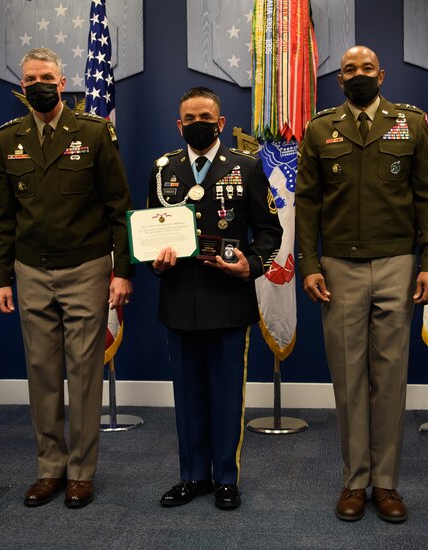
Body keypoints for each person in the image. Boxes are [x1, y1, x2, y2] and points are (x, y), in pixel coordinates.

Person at [295, 46, 428, 523]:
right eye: (349, 70)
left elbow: (427, 196)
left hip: (399, 262)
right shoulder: (321, 128)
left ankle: (387, 482)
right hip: (339, 267)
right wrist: (309, 264)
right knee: (348, 378)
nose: (358, 75)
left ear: (383, 74)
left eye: (366, 69)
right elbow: (307, 203)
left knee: (390, 378)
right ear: (339, 79)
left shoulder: (411, 123)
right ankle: (354, 481)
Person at [0, 48, 133, 509]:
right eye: (30, 78)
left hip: (87, 268)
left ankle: (81, 473)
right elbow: (3, 216)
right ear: (22, 84)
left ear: (63, 79)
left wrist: (121, 272)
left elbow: (118, 208)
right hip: (30, 269)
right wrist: (1, 278)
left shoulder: (93, 132)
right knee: (42, 373)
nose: (38, 84)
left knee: (85, 373)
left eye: (46, 76)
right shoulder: (7, 138)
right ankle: (50, 469)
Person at [149, 87, 282, 511]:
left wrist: (252, 266)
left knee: (226, 396)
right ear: (179, 124)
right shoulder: (162, 169)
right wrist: (155, 261)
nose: (197, 123)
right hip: (179, 298)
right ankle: (192, 477)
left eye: (205, 116)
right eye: (189, 118)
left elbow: (270, 232)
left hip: (228, 299)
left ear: (221, 123)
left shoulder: (246, 167)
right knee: (188, 396)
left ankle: (225, 477)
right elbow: (150, 228)